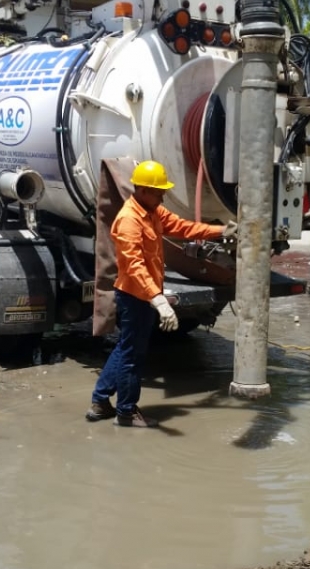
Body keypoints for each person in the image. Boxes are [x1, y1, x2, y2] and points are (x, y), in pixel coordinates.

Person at [86, 160, 237, 427]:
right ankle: (126, 412)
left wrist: (221, 231)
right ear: (142, 190)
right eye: (158, 191)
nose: (163, 195)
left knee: (126, 348)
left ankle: (99, 402)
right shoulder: (129, 220)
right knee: (133, 355)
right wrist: (157, 299)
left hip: (142, 295)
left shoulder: (153, 211)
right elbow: (134, 266)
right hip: (134, 296)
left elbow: (184, 227)